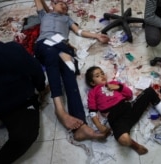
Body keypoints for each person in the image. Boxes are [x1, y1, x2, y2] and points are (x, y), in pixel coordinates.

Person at [33, 0, 110, 140]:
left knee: (70, 77)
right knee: (54, 54)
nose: (63, 5)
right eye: (60, 3)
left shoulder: (67, 19)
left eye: (66, 6)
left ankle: (81, 127)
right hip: (44, 45)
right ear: (52, 6)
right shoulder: (45, 15)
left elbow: (79, 31)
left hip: (62, 46)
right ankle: (60, 111)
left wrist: (97, 35)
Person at [85, 66, 161, 155]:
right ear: (92, 83)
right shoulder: (93, 93)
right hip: (116, 118)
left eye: (102, 73)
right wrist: (99, 126)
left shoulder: (113, 83)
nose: (102, 76)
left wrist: (119, 87)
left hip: (129, 108)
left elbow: (129, 95)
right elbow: (92, 111)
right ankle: (134, 144)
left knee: (149, 91)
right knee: (123, 140)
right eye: (97, 76)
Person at [0, 41, 47, 163]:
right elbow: (36, 71)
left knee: (24, 136)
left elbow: (36, 71)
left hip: (20, 104)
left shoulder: (12, 51)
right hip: (13, 104)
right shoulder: (13, 49)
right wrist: (40, 87)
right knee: (24, 136)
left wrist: (41, 87)